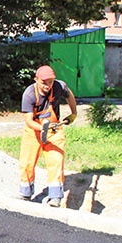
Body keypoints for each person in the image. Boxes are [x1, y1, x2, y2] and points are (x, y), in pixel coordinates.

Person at [19, 65, 77, 207]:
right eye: (44, 82)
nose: (47, 85)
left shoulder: (59, 86)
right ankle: (26, 193)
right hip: (34, 131)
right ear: (36, 79)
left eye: (50, 81)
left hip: (53, 131)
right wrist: (43, 128)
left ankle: (55, 196)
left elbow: (69, 95)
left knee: (56, 160)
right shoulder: (29, 94)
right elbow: (29, 121)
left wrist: (73, 113)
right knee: (27, 162)